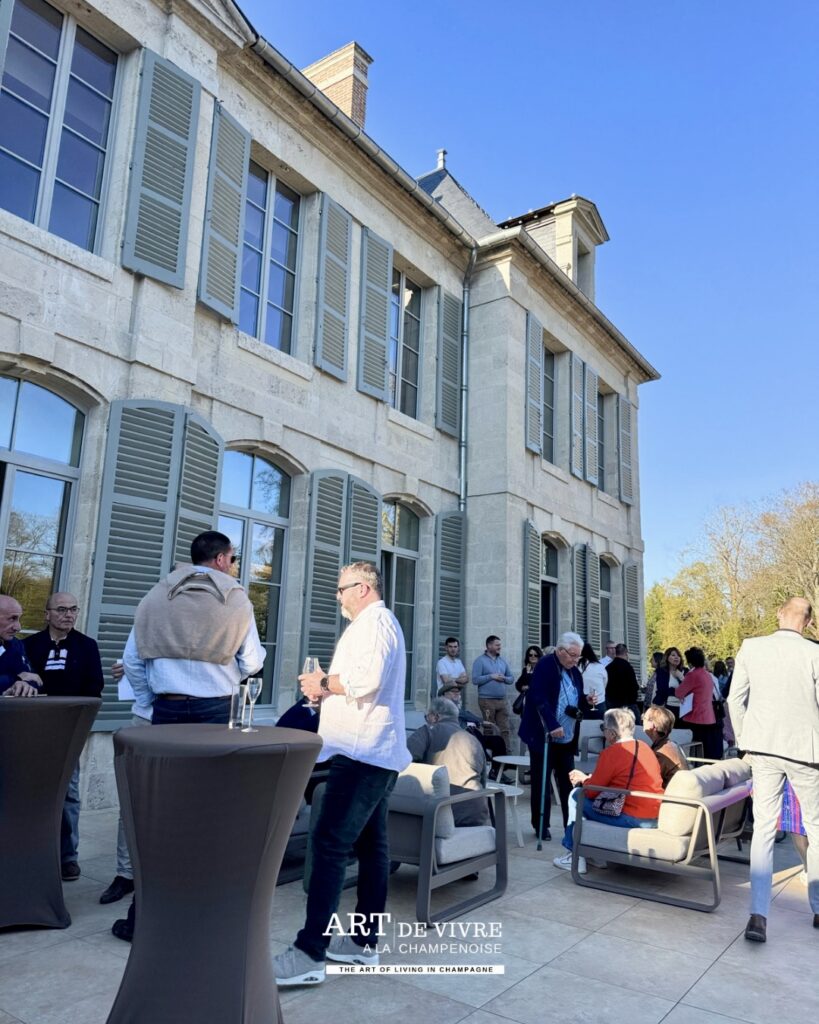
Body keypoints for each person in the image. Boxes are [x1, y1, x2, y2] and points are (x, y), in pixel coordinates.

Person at [273, 562, 409, 986]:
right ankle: (362, 943)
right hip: (371, 750)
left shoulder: (375, 624)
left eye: (342, 589)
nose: (337, 596)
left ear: (363, 588)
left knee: (329, 843)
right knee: (371, 849)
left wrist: (321, 683)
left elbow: (365, 680)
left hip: (362, 752)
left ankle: (310, 951)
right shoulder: (376, 624)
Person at [727, 597, 819, 943]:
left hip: (763, 746)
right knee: (816, 827)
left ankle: (758, 914)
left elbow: (735, 699)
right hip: (806, 748)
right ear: (808, 623)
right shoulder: (814, 653)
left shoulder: (752, 647)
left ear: (780, 614)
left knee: (764, 827)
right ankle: (818, 906)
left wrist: (745, 740)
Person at [123, 531, 265, 725]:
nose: (233, 565)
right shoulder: (237, 599)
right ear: (221, 559)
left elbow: (131, 659)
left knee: (167, 756)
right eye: (233, 559)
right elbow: (253, 662)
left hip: (167, 705)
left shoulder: (155, 596)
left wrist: (146, 700)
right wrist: (228, 677)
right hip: (217, 705)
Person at [24, 592, 104, 882]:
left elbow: (95, 687)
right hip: (31, 730)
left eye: (73, 609)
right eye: (61, 609)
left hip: (69, 730)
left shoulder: (87, 647)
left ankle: (67, 857)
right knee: (30, 793)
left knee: (68, 793)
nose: (68, 614)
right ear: (47, 614)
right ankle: (30, 850)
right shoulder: (28, 646)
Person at [553, 707, 663, 873]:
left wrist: (583, 779)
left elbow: (591, 791)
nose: (603, 732)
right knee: (586, 802)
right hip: (654, 814)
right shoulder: (645, 748)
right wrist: (589, 779)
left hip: (633, 817)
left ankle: (573, 855)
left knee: (576, 796)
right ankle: (594, 854)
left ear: (612, 733)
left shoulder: (611, 753)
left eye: (603, 729)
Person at [518, 632, 586, 840]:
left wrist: (587, 701)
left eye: (578, 657)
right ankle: (541, 825)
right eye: (572, 655)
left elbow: (576, 694)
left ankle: (570, 824)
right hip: (544, 734)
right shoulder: (546, 665)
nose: (575, 660)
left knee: (568, 781)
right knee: (542, 781)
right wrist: (552, 723)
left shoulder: (574, 671)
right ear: (560, 650)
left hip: (566, 736)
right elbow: (538, 697)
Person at [407, 697, 489, 825]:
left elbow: (404, 759)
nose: (427, 720)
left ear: (435, 717)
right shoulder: (474, 740)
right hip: (476, 814)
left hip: (441, 814)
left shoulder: (428, 731)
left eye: (427, 717)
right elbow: (483, 781)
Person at [676, 647, 722, 761]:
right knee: (707, 750)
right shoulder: (707, 675)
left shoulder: (692, 675)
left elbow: (679, 692)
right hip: (709, 716)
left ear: (690, 662)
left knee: (696, 750)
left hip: (695, 716)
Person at [471, 635, 514, 752]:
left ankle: (506, 757)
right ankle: (491, 758)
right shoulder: (480, 661)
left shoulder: (502, 661)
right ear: (489, 645)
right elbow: (475, 680)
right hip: (487, 701)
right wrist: (491, 676)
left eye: (500, 645)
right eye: (497, 645)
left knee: (504, 729)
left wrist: (504, 678)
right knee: (490, 728)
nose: (500, 647)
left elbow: (511, 679)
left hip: (502, 701)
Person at [0, 595, 42, 696]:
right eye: (12, 618)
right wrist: (16, 679)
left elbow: (33, 678)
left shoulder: (15, 645)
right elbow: (22, 676)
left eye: (18, 619)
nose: (18, 627)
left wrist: (23, 685)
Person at [642, 704, 690, 787]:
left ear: (652, 725)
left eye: (644, 718)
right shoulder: (671, 744)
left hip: (670, 796)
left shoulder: (660, 754)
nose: (642, 720)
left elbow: (648, 779)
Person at [604, 643, 639, 718]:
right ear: (626, 652)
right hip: (627, 703)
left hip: (612, 703)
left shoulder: (608, 667)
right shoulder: (628, 667)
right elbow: (634, 686)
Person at [579, 642, 607, 718]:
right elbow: (605, 683)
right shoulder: (600, 666)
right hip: (599, 701)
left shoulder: (577, 666)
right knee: (599, 728)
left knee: (583, 728)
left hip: (583, 703)